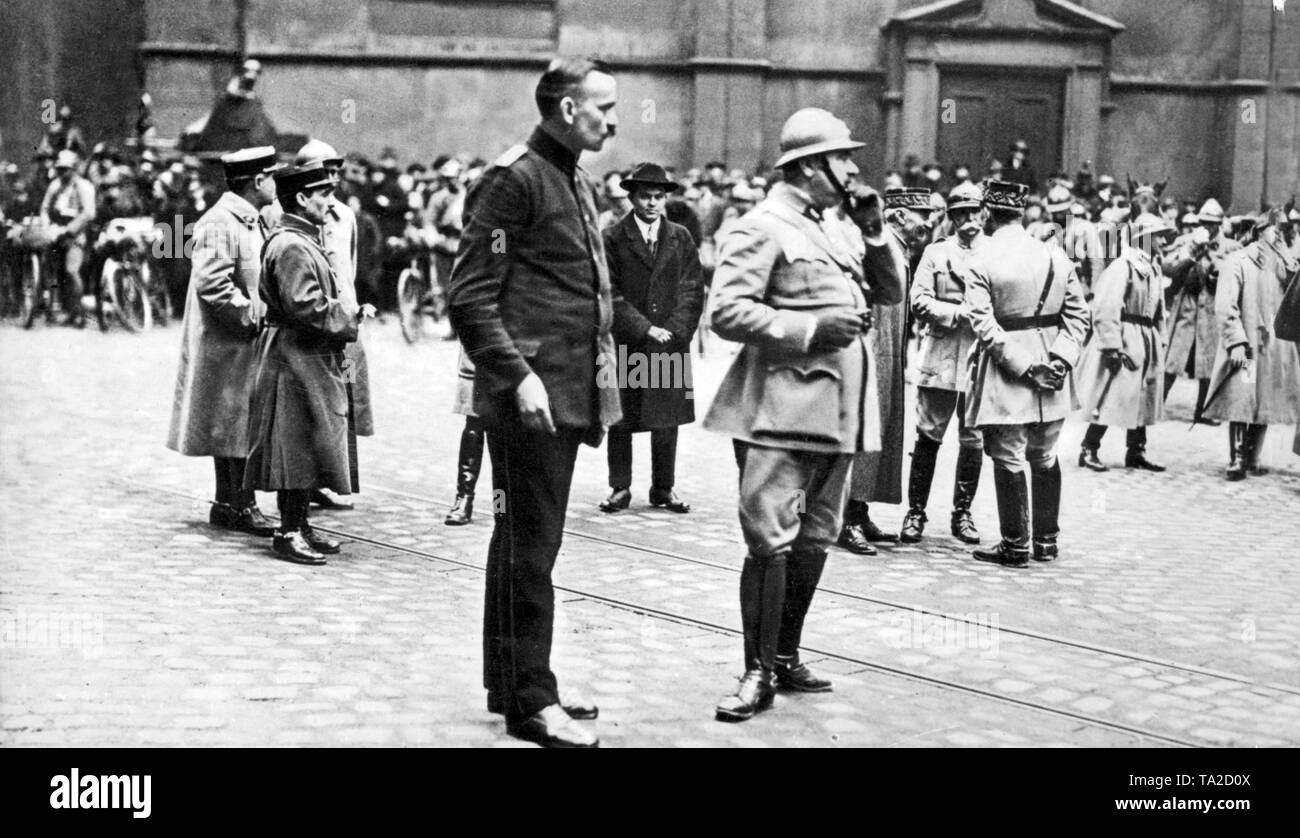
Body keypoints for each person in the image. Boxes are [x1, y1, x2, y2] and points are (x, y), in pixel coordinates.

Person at [704, 107, 903, 721]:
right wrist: (812, 327)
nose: (853, 167)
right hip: (782, 410)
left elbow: (890, 291)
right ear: (812, 167)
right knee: (770, 540)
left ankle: (785, 655)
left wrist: (874, 233)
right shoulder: (761, 225)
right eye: (844, 158)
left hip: (839, 413)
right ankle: (756, 671)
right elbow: (728, 312)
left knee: (816, 536)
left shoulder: (840, 227)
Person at [448, 57, 622, 748]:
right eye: (603, 107)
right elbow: (470, 295)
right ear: (567, 109)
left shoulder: (569, 172)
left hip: (563, 393)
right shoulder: (514, 180)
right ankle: (531, 702)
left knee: (519, 538)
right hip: (533, 399)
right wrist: (519, 377)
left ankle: (512, 681)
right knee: (532, 549)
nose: (614, 119)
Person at [243, 162, 375, 565]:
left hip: (304, 355)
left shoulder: (298, 239)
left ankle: (299, 524)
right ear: (301, 199)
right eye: (322, 194)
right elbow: (305, 305)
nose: (328, 201)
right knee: (294, 443)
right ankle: (288, 531)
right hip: (294, 356)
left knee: (306, 439)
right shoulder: (293, 245)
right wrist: (350, 317)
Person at [964, 180, 1089, 567]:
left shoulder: (980, 259)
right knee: (1046, 454)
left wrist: (1023, 365)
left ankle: (1016, 544)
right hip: (1053, 371)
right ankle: (1046, 542)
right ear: (1021, 213)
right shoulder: (1056, 257)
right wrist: (1060, 360)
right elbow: (1079, 318)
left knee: (1009, 454)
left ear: (987, 213)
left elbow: (983, 325)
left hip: (1009, 372)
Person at [167, 147, 280, 538]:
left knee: (237, 424)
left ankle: (231, 503)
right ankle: (236, 504)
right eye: (272, 176)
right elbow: (213, 284)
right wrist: (252, 315)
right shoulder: (219, 222)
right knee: (232, 424)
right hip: (228, 341)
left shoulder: (251, 219)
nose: (276, 183)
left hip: (240, 342)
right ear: (257, 182)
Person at [599, 162, 704, 514]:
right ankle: (620, 487)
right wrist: (644, 328)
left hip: (669, 342)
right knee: (622, 417)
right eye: (645, 197)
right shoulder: (613, 237)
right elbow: (609, 292)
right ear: (631, 197)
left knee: (666, 417)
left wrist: (674, 329)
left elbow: (692, 288)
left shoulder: (680, 237)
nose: (652, 203)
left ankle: (663, 488)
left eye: (659, 197)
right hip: (629, 341)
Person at [838, 186, 931, 555]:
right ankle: (845, 518)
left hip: (890, 354)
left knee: (881, 433)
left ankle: (860, 511)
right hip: (872, 352)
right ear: (897, 216)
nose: (928, 223)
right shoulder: (877, 248)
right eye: (921, 216)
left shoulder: (901, 249)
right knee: (864, 431)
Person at [899, 181, 986, 544]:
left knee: (973, 439)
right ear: (951, 218)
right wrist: (958, 313)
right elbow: (918, 300)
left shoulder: (995, 253)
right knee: (928, 436)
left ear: (984, 213)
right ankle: (915, 512)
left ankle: (962, 514)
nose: (968, 220)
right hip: (940, 355)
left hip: (979, 359)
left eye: (973, 211)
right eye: (960, 213)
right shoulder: (936, 253)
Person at [1202, 207, 1300, 479]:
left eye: (1284, 230)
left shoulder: (1283, 265)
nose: (1280, 235)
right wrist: (1235, 341)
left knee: (1265, 399)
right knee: (1242, 396)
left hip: (1271, 348)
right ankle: (1236, 458)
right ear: (1258, 232)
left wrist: (1291, 264)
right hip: (1247, 346)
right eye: (1274, 229)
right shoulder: (1238, 261)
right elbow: (1225, 306)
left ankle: (1252, 455)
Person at [1076, 213, 1176, 472]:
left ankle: (1136, 451)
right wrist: (1111, 347)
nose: (1163, 241)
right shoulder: (1123, 267)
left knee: (1142, 396)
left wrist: (1160, 339)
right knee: (1111, 394)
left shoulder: (1152, 267)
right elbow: (1106, 307)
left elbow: (1159, 308)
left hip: (1145, 337)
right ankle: (1089, 447)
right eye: (1158, 236)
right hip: (1125, 337)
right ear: (1143, 238)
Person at [1161, 198, 1241, 423]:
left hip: (1212, 310)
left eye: (1212, 223)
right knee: (1173, 359)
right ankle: (1157, 403)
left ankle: (1203, 410)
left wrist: (1219, 267)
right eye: (1204, 222)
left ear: (1220, 223)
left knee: (1209, 362)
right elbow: (1167, 266)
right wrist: (1191, 251)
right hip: (1188, 306)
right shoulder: (1186, 240)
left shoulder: (1230, 247)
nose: (1207, 226)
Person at [39, 149, 96, 326]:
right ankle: (51, 308)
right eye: (60, 169)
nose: (63, 172)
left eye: (67, 169)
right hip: (56, 230)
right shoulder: (55, 185)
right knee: (49, 269)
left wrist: (69, 230)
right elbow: (45, 208)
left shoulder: (83, 186)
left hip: (74, 233)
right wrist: (47, 226)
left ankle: (78, 312)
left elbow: (88, 213)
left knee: (72, 271)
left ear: (74, 169)